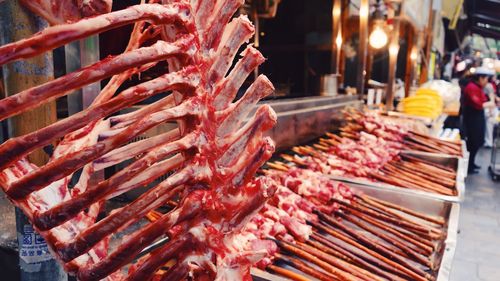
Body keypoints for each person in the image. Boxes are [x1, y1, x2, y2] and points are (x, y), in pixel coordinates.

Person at [462, 67, 496, 174]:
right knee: (472, 142)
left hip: (477, 118)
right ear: (480, 78)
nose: (486, 82)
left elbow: (483, 100)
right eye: (486, 79)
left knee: (476, 142)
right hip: (472, 119)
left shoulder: (478, 87)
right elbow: (478, 104)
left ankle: (471, 163)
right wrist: (489, 103)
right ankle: (468, 166)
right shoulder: (471, 87)